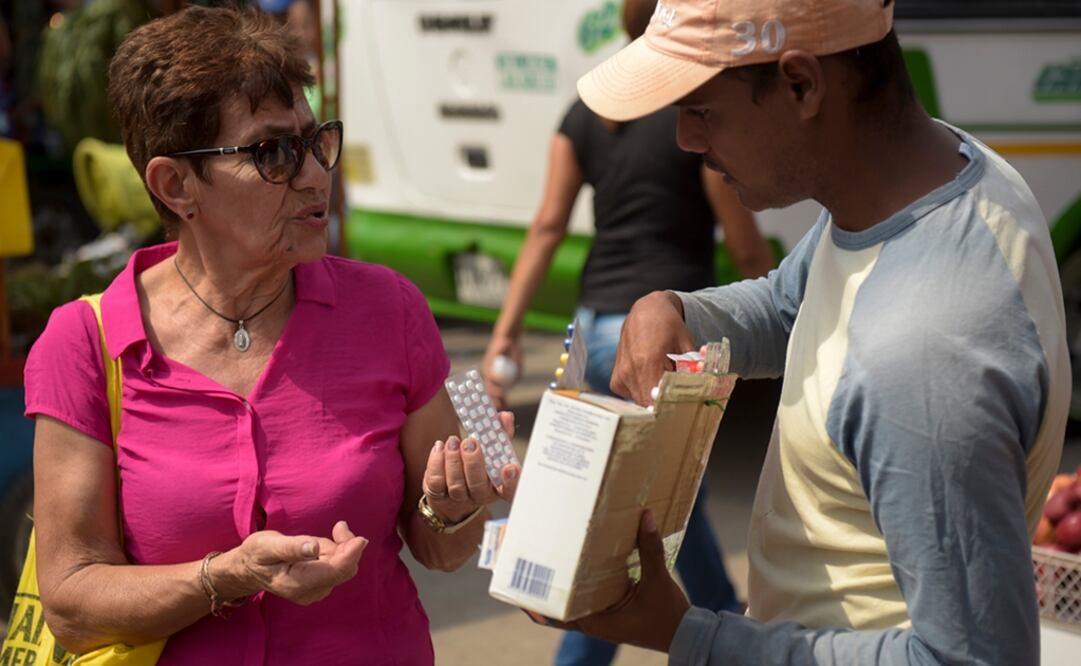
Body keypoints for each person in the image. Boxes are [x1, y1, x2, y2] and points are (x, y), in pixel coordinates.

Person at [527, 0, 1070, 664]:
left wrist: (684, 633)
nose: (685, 143)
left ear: (800, 84)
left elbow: (968, 658)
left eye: (700, 112)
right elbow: (794, 304)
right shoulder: (941, 175)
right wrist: (675, 309)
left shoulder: (923, 354)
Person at [25, 6, 518, 664]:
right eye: (273, 153)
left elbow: (441, 548)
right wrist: (225, 576)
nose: (316, 175)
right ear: (176, 186)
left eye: (316, 142)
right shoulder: (84, 343)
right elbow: (72, 603)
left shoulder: (389, 308)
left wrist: (455, 507)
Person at [483, 2, 773, 664]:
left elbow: (547, 224)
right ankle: (721, 628)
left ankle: (722, 624)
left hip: (590, 331)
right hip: (661, 333)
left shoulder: (587, 110)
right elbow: (746, 245)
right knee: (644, 523)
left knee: (641, 516)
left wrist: (505, 330)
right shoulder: (694, 111)